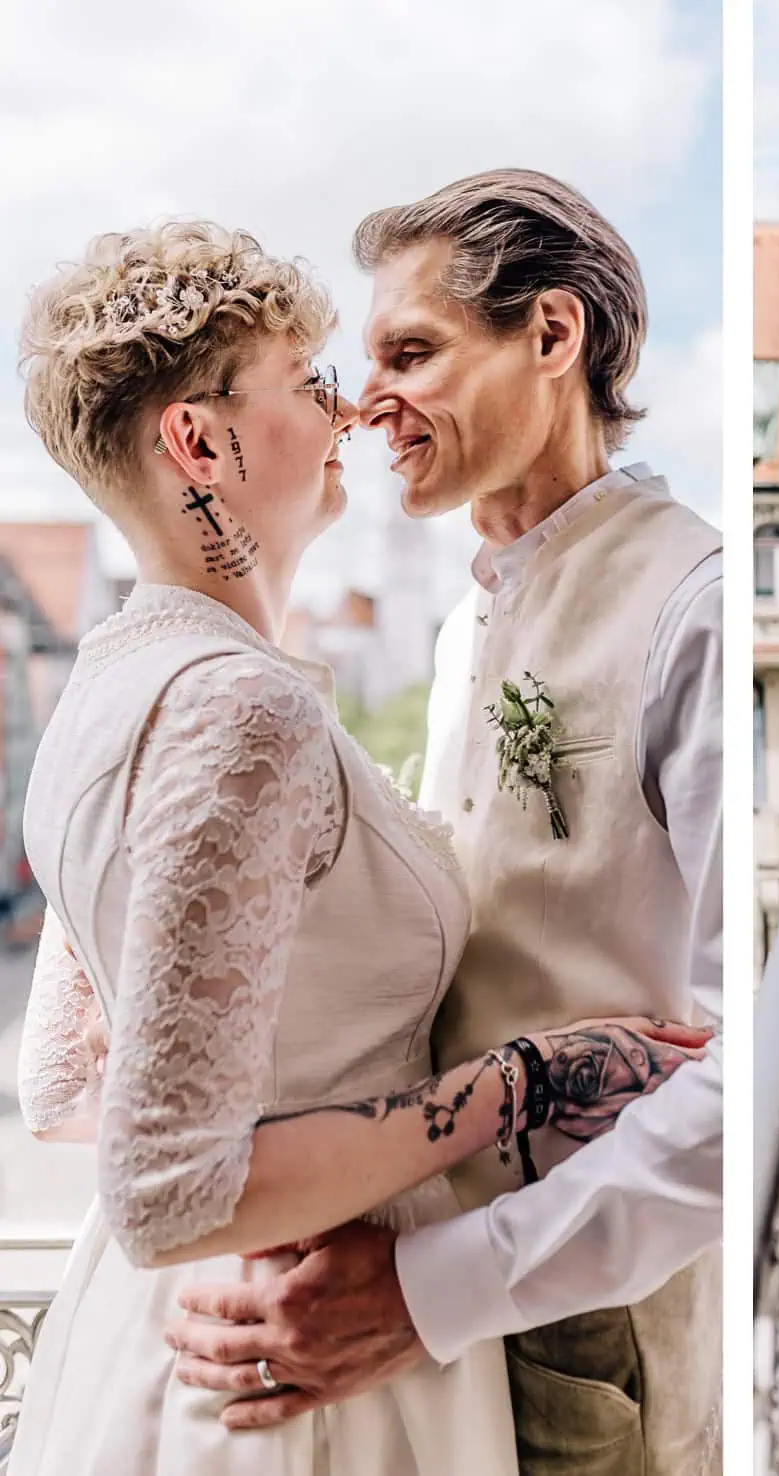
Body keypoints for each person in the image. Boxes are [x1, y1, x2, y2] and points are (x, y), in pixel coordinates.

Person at [10, 220, 704, 1475]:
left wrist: (266, 1115)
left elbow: (65, 1084)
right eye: (309, 380)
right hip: (315, 1339)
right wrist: (525, 1080)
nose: (347, 410)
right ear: (200, 440)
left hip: (178, 1318)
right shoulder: (240, 706)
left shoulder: (105, 694)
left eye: (390, 358)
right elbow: (169, 1185)